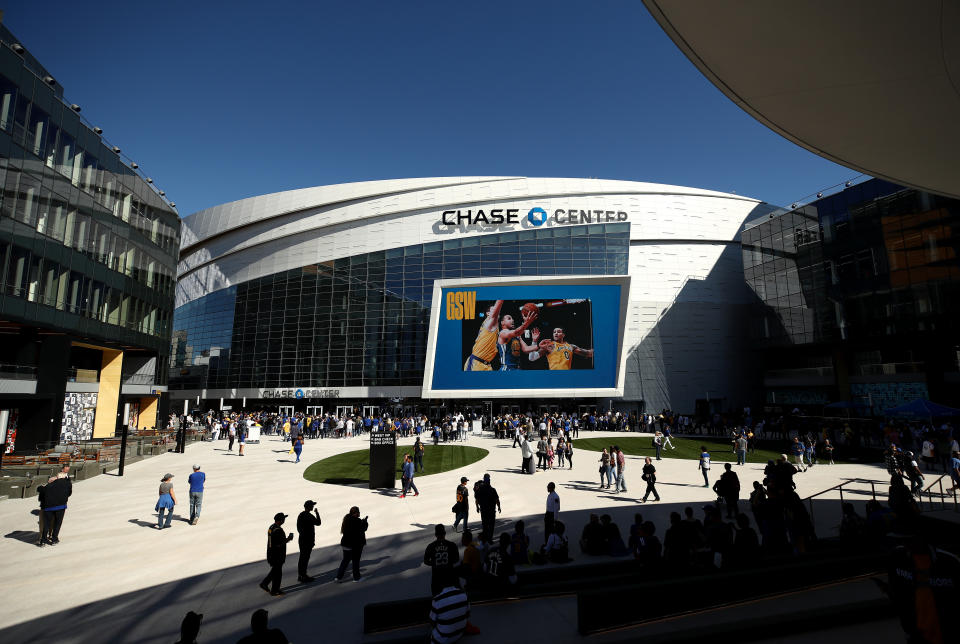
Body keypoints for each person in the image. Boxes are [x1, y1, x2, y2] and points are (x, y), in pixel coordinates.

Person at [496, 304, 539, 370]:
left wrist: (539, 346)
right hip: (507, 368)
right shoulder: (503, 333)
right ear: (502, 323)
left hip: (517, 368)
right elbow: (516, 332)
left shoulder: (517, 335)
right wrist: (527, 322)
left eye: (512, 318)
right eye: (509, 318)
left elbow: (526, 349)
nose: (512, 320)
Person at [259, 513, 294, 596]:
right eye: (283, 519)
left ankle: (264, 583)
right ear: (280, 520)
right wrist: (288, 539)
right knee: (278, 573)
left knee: (275, 570)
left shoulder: (271, 527)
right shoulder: (278, 530)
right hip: (277, 555)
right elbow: (278, 544)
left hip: (271, 553)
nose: (284, 520)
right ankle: (274, 590)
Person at [464, 300, 504, 371]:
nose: (497, 310)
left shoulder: (494, 326)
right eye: (494, 309)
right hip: (475, 364)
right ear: (488, 313)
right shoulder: (489, 322)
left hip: (487, 365)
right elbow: (499, 303)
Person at [424, 524, 461, 595]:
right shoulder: (452, 545)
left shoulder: (431, 546)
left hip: (437, 576)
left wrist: (435, 563)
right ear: (445, 533)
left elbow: (426, 561)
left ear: (435, 534)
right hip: (449, 575)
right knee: (451, 596)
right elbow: (456, 559)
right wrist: (448, 563)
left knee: (437, 596)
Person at [39, 468, 72, 545]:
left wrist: (47, 483)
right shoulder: (68, 483)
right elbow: (69, 493)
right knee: (57, 523)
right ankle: (54, 539)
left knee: (46, 523)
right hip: (61, 506)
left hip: (48, 507)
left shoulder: (49, 485)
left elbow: (41, 493)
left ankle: (43, 539)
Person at [336, 506, 368, 582]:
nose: (359, 513)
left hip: (345, 544)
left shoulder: (347, 519)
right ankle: (356, 578)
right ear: (355, 513)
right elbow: (362, 529)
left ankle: (338, 577)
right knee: (355, 561)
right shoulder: (357, 521)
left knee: (345, 561)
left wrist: (362, 522)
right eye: (358, 512)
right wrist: (365, 522)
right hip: (354, 545)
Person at [296, 500, 322, 582]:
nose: (313, 506)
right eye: (312, 505)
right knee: (305, 558)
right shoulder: (309, 516)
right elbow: (318, 523)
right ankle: (303, 576)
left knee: (302, 558)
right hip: (307, 541)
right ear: (310, 507)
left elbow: (298, 528)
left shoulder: (301, 515)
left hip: (301, 540)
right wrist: (317, 513)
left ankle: (301, 575)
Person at [475, 473, 501, 540]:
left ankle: (485, 538)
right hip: (491, 511)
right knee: (491, 525)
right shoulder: (492, 490)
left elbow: (477, 499)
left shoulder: (480, 490)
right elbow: (497, 500)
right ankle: (490, 538)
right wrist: (499, 507)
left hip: (483, 510)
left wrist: (477, 507)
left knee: (485, 525)